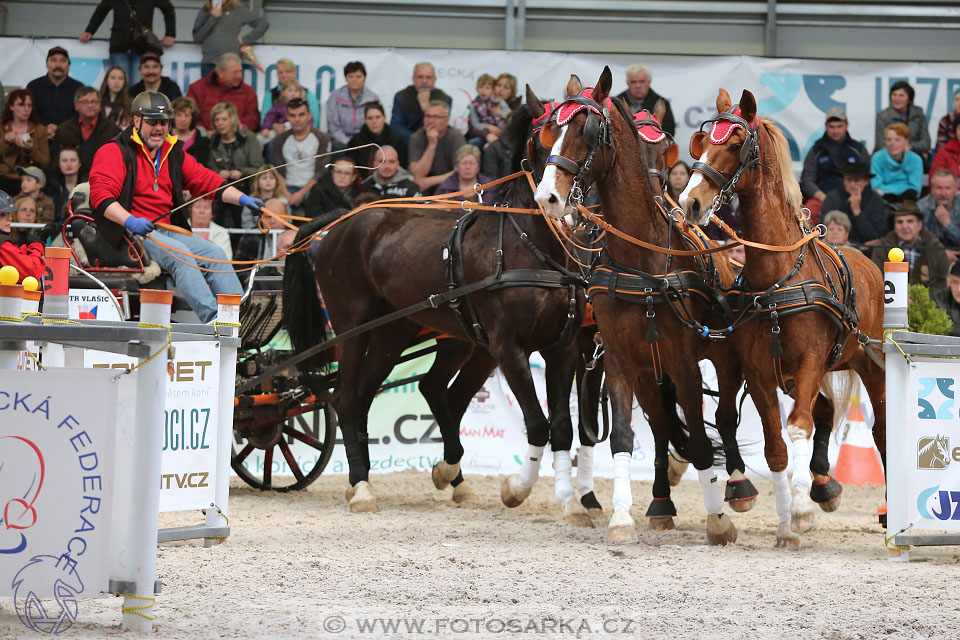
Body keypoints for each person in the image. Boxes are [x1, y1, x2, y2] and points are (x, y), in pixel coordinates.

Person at [89, 91, 259, 323]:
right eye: (152, 122)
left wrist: (243, 199)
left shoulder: (172, 152)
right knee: (183, 256)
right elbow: (100, 197)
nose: (159, 128)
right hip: (129, 233)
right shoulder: (113, 151)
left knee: (216, 254)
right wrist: (129, 220)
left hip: (165, 230)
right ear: (136, 121)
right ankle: (214, 321)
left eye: (164, 122)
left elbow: (207, 182)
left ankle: (241, 319)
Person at [79, 0, 176, 82]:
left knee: (137, 87)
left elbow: (168, 9)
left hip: (142, 47)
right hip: (119, 47)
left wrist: (170, 34)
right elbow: (100, 11)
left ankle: (135, 105)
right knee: (120, 84)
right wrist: (89, 31)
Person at [800, 107, 870, 219]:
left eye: (839, 126)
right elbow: (807, 179)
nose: (835, 131)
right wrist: (822, 196)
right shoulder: (816, 150)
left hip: (855, 196)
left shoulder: (858, 149)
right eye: (831, 127)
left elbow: (867, 178)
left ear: (847, 125)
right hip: (822, 197)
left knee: (872, 210)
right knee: (807, 215)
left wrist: (856, 195)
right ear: (825, 126)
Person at [870, 200, 948, 292]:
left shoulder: (935, 247)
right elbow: (875, 280)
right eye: (900, 222)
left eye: (910, 221)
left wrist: (920, 298)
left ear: (919, 225)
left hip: (926, 303)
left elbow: (943, 282)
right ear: (894, 226)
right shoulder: (882, 248)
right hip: (891, 303)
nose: (905, 226)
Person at [206, 102, 262, 227]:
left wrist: (241, 172)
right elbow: (208, 171)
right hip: (220, 189)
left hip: (246, 187)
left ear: (233, 119)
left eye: (224, 119)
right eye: (217, 120)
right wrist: (219, 174)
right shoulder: (212, 143)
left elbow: (258, 168)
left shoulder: (249, 138)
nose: (220, 123)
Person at [269, 98, 330, 212]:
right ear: (287, 116)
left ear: (309, 115)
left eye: (301, 115)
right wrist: (286, 193)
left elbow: (321, 172)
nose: (297, 119)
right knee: (276, 208)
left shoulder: (321, 138)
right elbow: (278, 170)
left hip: (312, 188)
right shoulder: (280, 140)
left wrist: (301, 194)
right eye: (292, 115)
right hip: (286, 188)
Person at [50, 87, 122, 178]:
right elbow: (55, 160)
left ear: (100, 105)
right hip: (69, 181)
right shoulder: (64, 129)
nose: (90, 105)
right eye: (85, 102)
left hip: (103, 180)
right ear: (76, 105)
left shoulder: (113, 130)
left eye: (94, 101)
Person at [187, 52, 260, 133]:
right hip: (204, 138)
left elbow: (253, 120)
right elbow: (188, 115)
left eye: (240, 71)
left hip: (237, 139)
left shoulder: (248, 92)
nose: (239, 76)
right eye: (235, 72)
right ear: (221, 73)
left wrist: (231, 131)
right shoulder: (197, 88)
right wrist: (204, 131)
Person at [192, 0, 269, 77]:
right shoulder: (205, 10)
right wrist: (213, 17)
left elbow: (263, 23)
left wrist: (246, 39)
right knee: (208, 89)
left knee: (232, 88)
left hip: (232, 64)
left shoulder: (238, 10)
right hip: (209, 63)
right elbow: (197, 37)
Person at [822, 161, 888, 247]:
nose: (852, 184)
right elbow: (826, 231)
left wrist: (857, 211)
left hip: (870, 251)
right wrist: (859, 246)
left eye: (857, 180)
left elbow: (876, 236)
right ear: (843, 180)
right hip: (836, 247)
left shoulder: (876, 200)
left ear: (866, 181)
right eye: (849, 180)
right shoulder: (832, 198)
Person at [26, 47, 85, 139]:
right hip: (37, 138)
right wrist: (44, 129)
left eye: (63, 61)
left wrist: (60, 129)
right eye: (53, 60)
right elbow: (28, 114)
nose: (58, 65)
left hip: (70, 137)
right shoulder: (34, 86)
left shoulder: (78, 88)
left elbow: (82, 116)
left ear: (69, 65)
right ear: (46, 64)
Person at [408, 101, 467, 194]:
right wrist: (432, 145)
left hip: (450, 186)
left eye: (436, 117)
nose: (431, 121)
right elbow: (417, 174)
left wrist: (429, 181)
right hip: (423, 189)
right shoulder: (417, 137)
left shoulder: (456, 137)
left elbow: (462, 170)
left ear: (447, 120)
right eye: (428, 116)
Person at [0, 89, 50, 194]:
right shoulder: (1, 127)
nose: (26, 109)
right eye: (21, 105)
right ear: (11, 106)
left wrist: (32, 150)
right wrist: (7, 143)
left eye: (29, 105)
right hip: (3, 175)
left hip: (28, 177)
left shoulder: (39, 129)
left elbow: (45, 162)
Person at [390, 62, 452, 142]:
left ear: (434, 80)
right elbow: (396, 126)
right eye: (420, 77)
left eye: (428, 77)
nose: (424, 81)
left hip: (437, 140)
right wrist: (416, 140)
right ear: (413, 79)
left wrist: (426, 108)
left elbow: (442, 125)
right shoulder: (402, 96)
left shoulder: (444, 98)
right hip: (408, 142)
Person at [326, 61, 379, 152]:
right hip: (341, 142)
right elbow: (333, 127)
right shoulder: (335, 97)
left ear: (364, 78)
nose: (354, 80)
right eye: (350, 76)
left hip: (365, 141)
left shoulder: (372, 98)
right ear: (346, 78)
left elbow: (374, 124)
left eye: (358, 77)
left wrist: (359, 143)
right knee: (337, 146)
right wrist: (349, 143)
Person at [874, 81, 931, 162]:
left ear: (909, 98)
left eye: (901, 95)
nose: (897, 99)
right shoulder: (883, 115)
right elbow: (881, 144)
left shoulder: (918, 113)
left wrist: (909, 147)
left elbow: (926, 143)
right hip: (889, 156)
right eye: (894, 95)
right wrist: (900, 150)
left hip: (912, 154)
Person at [614, 64, 675, 136]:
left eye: (642, 81)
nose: (638, 86)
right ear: (627, 83)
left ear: (649, 82)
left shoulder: (662, 104)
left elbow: (669, 132)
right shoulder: (616, 104)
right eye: (633, 82)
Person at [871, 123, 923, 204]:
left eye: (897, 140)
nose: (892, 144)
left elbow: (915, 190)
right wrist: (904, 189)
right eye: (889, 139)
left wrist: (886, 191)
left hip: (908, 202)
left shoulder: (915, 160)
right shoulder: (877, 158)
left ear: (906, 142)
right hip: (882, 202)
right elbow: (876, 188)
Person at [346, 102, 407, 170]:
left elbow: (402, 167)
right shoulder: (355, 141)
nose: (374, 121)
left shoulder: (397, 140)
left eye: (378, 117)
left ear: (384, 118)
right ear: (365, 120)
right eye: (370, 118)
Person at [0, 191, 45, 281]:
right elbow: (32, 272)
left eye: (9, 214)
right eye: (2, 215)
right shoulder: (3, 245)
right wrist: (36, 245)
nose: (9, 218)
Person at [304, 157, 362, 223]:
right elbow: (313, 218)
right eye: (338, 172)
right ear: (332, 173)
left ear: (353, 177)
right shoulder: (318, 190)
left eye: (347, 173)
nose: (342, 176)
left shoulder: (359, 193)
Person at [919, 170, 960, 255]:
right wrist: (942, 254)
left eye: (947, 188)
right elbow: (916, 242)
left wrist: (948, 224)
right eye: (939, 188)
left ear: (955, 190)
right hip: (929, 255)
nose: (943, 193)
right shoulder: (920, 208)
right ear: (932, 189)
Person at [468, 74, 508, 146]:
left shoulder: (499, 101)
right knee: (473, 142)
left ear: (493, 90)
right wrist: (488, 127)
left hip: (502, 133)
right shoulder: (473, 105)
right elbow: (475, 124)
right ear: (477, 89)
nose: (483, 91)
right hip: (484, 135)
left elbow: (510, 115)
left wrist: (500, 112)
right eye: (481, 87)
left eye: (487, 88)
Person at [171, 97, 210, 166]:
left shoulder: (202, 139)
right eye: (179, 115)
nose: (183, 119)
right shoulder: (164, 137)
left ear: (193, 117)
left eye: (187, 115)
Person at [46, 146, 82, 217]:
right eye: (64, 160)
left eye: (73, 160)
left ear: (80, 163)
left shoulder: (88, 187)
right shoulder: (52, 187)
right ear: (59, 164)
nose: (68, 164)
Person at [932, 261, 960, 336]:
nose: (959, 289)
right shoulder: (938, 299)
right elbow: (938, 328)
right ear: (948, 281)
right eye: (955, 282)